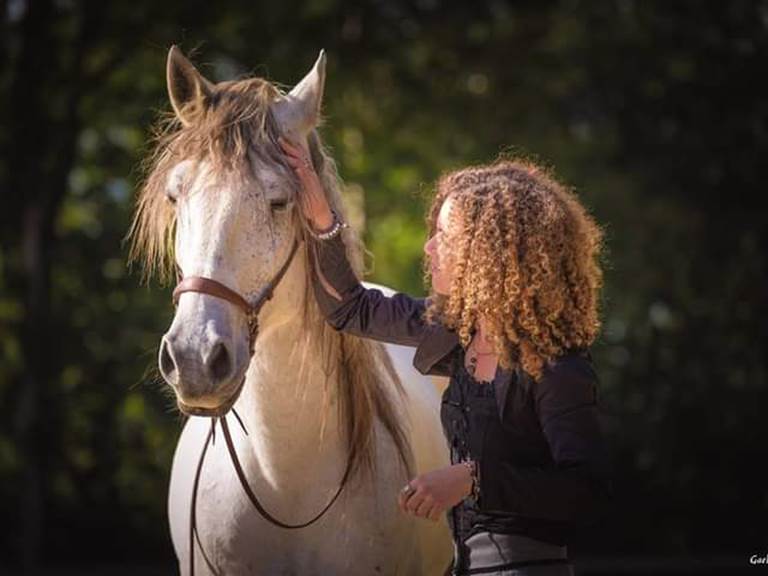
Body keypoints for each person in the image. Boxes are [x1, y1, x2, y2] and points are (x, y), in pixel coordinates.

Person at [279, 136, 613, 576]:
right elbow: (350, 308)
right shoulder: (455, 332)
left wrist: (472, 478)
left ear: (491, 254)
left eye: (446, 236)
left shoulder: (556, 365)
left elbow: (585, 490)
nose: (429, 248)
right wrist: (321, 215)